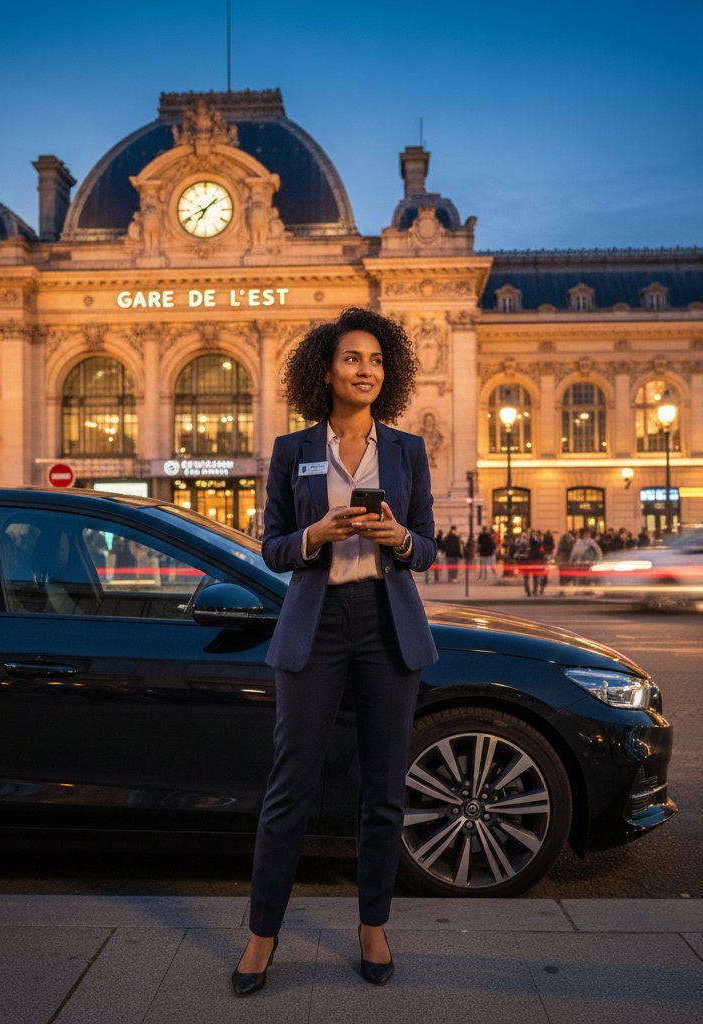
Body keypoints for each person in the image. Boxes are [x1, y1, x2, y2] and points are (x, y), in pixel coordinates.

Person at [232, 307, 437, 995]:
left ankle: (373, 925)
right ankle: (263, 935)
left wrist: (399, 539)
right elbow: (272, 547)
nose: (366, 370)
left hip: (386, 621)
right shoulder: (294, 450)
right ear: (326, 369)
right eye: (353, 358)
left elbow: (430, 548)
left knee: (383, 790)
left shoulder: (407, 450)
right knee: (289, 788)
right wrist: (316, 534)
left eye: (376, 360)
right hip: (316, 622)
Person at [554, 527, 575, 593]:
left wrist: (556, 560)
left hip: (562, 560)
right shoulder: (570, 540)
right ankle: (564, 589)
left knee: (562, 576)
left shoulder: (563, 539)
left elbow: (558, 551)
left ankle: (562, 590)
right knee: (567, 575)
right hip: (567, 560)